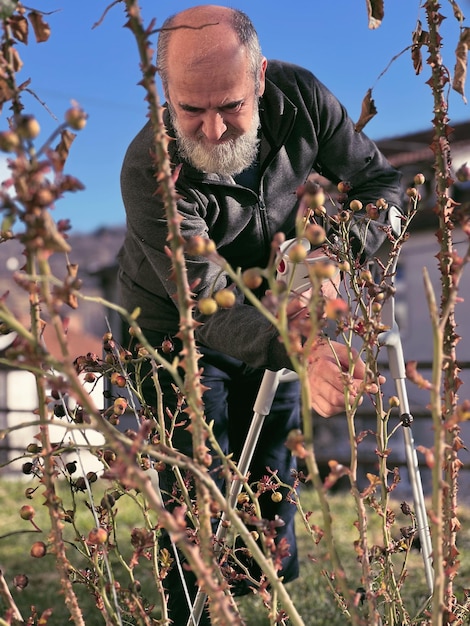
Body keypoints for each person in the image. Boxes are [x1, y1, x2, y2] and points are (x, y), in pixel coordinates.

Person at [117, 5, 403, 623]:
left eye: (231, 107)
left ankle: (258, 597)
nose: (213, 131)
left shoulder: (303, 99)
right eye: (190, 110)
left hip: (277, 305)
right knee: (197, 477)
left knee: (270, 460)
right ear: (165, 92)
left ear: (261, 78)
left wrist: (332, 247)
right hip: (173, 322)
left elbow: (383, 188)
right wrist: (303, 345)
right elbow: (205, 304)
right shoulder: (148, 169)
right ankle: (193, 609)